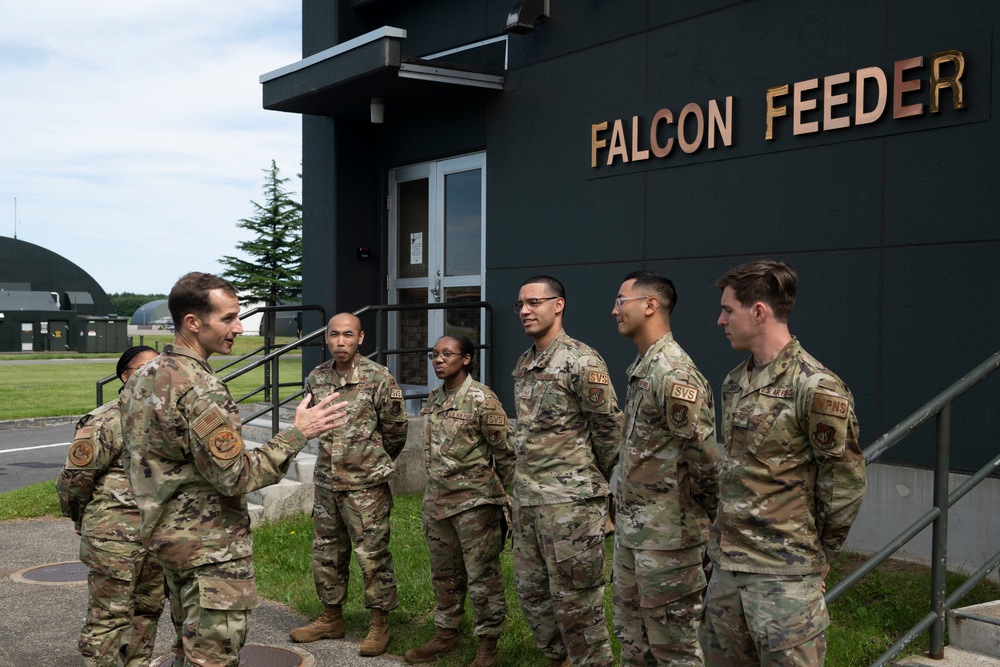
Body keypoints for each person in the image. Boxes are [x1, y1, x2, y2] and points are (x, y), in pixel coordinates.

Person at [121, 272, 348, 667]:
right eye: (227, 318)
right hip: (210, 552)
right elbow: (237, 476)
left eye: (238, 317)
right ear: (193, 322)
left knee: (186, 652)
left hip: (167, 542)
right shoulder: (199, 389)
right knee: (212, 659)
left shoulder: (144, 375)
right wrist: (299, 433)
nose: (239, 328)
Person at [702, 260, 867, 665]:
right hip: (726, 571)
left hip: (783, 577)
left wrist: (820, 554)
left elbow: (844, 482)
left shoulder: (815, 386)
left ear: (758, 312)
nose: (720, 320)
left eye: (728, 309)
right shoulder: (734, 382)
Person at [510, 275, 622, 667]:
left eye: (535, 302)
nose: (525, 311)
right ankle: (560, 660)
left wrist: (612, 498)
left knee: (576, 603)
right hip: (528, 501)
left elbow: (609, 431)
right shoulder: (525, 362)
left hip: (571, 505)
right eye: (521, 304)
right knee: (532, 595)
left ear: (558, 305)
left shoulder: (582, 361)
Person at [610, 271, 721, 666]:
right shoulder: (643, 368)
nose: (614, 309)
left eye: (621, 300)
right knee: (634, 642)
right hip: (635, 533)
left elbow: (706, 460)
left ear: (650, 305)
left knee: (675, 649)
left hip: (668, 541)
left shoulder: (672, 374)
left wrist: (707, 523)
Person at [289, 312, 408, 656]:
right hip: (327, 482)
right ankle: (331, 617)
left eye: (348, 335)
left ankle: (379, 623)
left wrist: (370, 461)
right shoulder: (317, 377)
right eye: (334, 335)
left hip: (365, 486)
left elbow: (396, 431)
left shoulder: (378, 378)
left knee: (372, 555)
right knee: (326, 553)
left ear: (361, 338)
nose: (340, 342)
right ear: (326, 338)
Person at [404, 334, 515, 667]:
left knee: (483, 576)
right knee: (444, 574)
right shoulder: (436, 397)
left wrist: (511, 501)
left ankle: (487, 644)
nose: (438, 360)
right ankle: (447, 634)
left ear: (466, 359)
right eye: (434, 355)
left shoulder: (482, 400)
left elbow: (506, 454)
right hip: (437, 503)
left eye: (447, 354)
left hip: (475, 506)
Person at [57, 345, 166, 667]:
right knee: (108, 617)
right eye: (143, 369)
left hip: (158, 538)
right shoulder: (106, 421)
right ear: (124, 376)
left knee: (148, 611)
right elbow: (74, 482)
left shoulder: (171, 418)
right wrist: (83, 521)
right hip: (114, 540)